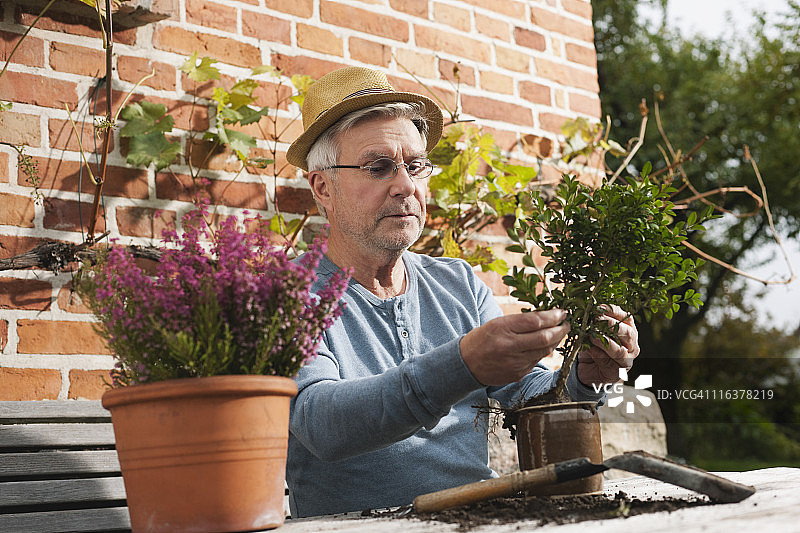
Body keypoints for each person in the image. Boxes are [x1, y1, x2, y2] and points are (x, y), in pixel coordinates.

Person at [284, 66, 640, 518]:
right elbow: (320, 423)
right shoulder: (288, 295)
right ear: (323, 188)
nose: (405, 186)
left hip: (477, 520)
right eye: (378, 168)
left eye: (415, 166)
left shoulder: (458, 282)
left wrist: (586, 378)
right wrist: (462, 363)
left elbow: (526, 392)